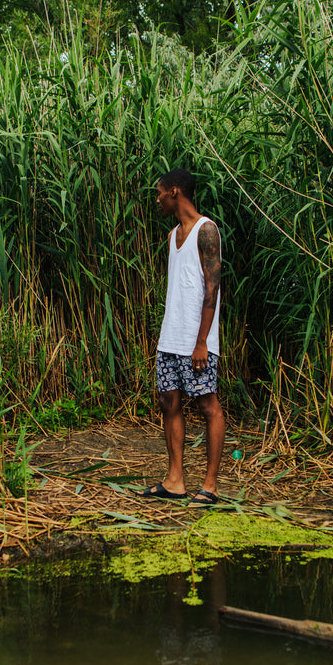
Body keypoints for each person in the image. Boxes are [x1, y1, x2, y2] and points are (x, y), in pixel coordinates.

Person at [139, 168, 226, 505]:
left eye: (159, 193)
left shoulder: (206, 231)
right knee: (168, 402)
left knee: (207, 405)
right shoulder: (174, 234)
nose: (157, 199)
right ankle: (175, 481)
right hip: (171, 337)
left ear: (175, 191)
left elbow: (212, 287)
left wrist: (202, 341)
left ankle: (211, 485)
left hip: (197, 340)